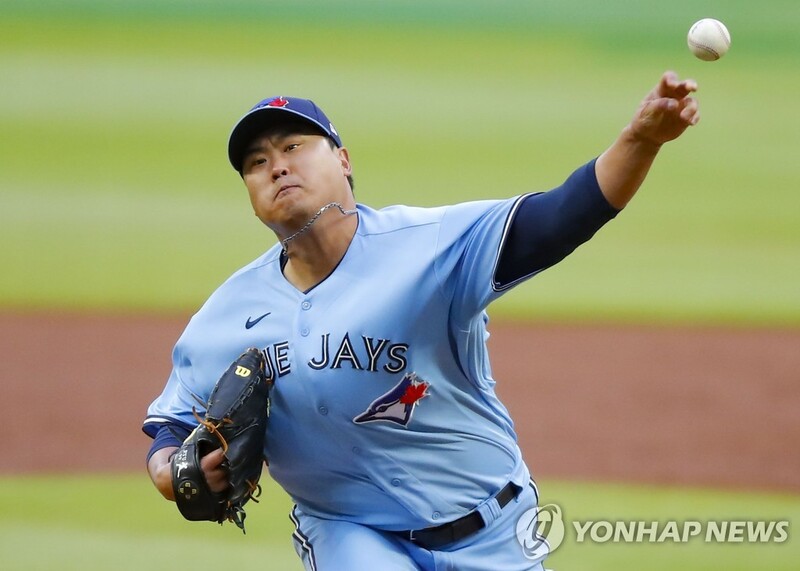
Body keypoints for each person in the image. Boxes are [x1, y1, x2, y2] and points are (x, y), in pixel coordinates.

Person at [143, 72, 699, 570]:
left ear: (343, 160)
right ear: (251, 194)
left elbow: (557, 220)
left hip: (495, 528)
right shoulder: (226, 313)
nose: (277, 166)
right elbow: (170, 425)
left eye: (293, 146)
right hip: (348, 534)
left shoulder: (428, 247)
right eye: (256, 163)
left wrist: (640, 141)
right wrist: (169, 469)